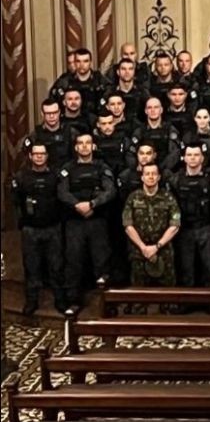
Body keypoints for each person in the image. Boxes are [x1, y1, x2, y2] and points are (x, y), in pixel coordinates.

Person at [58, 132, 117, 310]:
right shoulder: (67, 168)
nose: (84, 146)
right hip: (74, 222)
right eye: (80, 143)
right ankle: (73, 301)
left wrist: (92, 204)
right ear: (76, 147)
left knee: (102, 262)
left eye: (88, 143)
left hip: (97, 221)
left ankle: (107, 302)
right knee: (73, 261)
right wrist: (77, 205)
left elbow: (110, 190)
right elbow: (62, 192)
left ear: (93, 146)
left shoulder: (101, 167)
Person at [13, 144, 68, 314]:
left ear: (47, 156)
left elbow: (63, 200)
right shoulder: (21, 177)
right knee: (31, 267)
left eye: (42, 154)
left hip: (53, 228)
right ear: (30, 156)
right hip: (31, 229)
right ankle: (31, 301)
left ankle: (60, 300)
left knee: (56, 266)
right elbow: (16, 203)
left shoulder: (56, 176)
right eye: (35, 154)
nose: (39, 157)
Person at [168, 144, 210, 290]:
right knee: (185, 268)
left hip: (207, 227)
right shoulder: (175, 180)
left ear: (202, 158)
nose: (193, 158)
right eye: (190, 155)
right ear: (184, 158)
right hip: (184, 229)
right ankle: (186, 302)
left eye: (196, 155)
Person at [121, 162, 181, 288]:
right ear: (142, 177)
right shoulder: (133, 197)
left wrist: (157, 246)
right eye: (147, 174)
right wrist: (143, 247)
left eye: (154, 174)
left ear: (159, 177)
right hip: (139, 251)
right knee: (138, 297)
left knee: (169, 298)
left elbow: (175, 225)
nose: (151, 176)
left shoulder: (168, 197)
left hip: (164, 250)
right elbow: (127, 225)